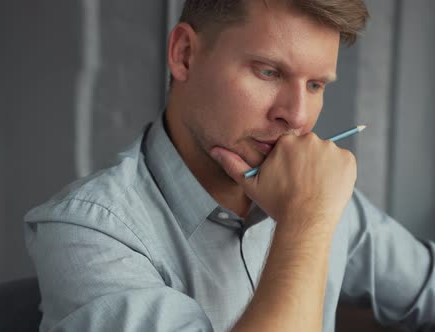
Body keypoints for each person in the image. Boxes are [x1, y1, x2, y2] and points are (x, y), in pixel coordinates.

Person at [25, 0, 435, 331]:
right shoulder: (88, 233)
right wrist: (305, 224)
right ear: (184, 55)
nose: (296, 115)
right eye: (269, 71)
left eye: (315, 85)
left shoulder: (312, 191)